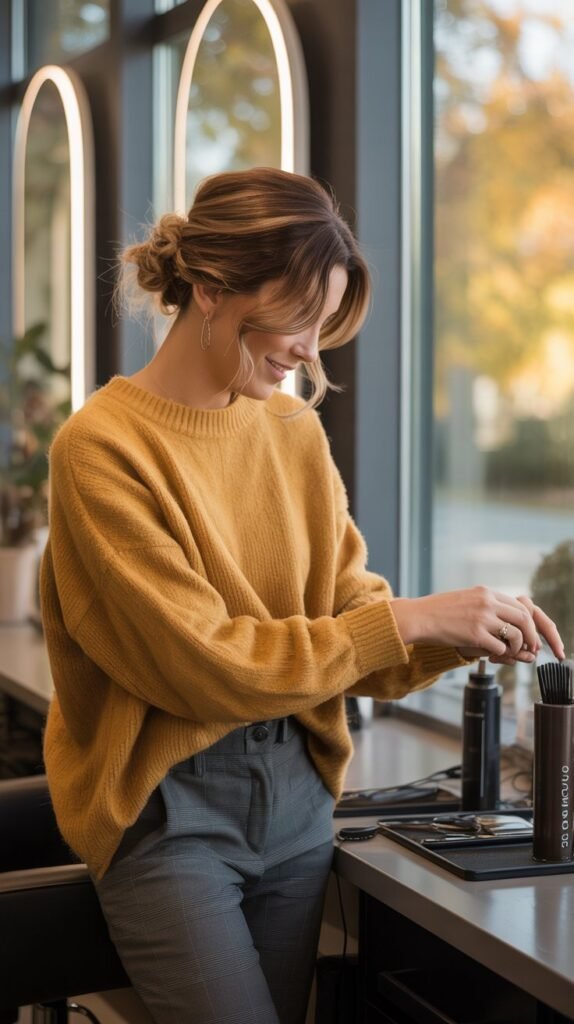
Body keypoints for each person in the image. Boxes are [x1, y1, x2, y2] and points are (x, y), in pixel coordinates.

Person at [40, 166, 563, 1024]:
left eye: (322, 326)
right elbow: (205, 664)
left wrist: (459, 628)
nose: (309, 352)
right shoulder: (101, 449)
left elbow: (348, 610)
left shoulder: (290, 430)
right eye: (294, 321)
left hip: (298, 798)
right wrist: (406, 621)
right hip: (172, 814)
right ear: (210, 292)